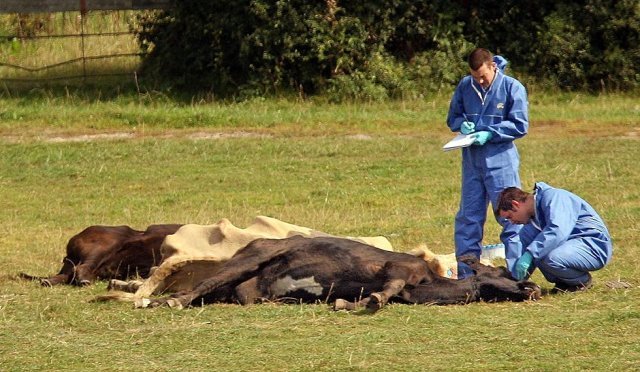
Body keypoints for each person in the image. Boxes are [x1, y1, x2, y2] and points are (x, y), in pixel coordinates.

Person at [446, 48, 529, 277]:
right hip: (472, 163)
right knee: (468, 219)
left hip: (501, 163)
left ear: (493, 66)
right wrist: (462, 124)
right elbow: (452, 117)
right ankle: (466, 275)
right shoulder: (465, 86)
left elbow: (520, 124)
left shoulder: (512, 87)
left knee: (511, 218)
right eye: (475, 77)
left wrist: (491, 133)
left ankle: (517, 275)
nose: (479, 81)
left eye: (483, 76)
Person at [496, 182, 613, 292]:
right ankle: (566, 283)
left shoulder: (554, 198)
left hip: (593, 246)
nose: (511, 222)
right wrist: (514, 283)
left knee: (548, 256)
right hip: (570, 249)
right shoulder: (530, 225)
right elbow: (523, 259)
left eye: (510, 216)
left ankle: (581, 282)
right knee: (539, 252)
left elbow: (557, 231)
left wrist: (531, 253)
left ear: (515, 204)